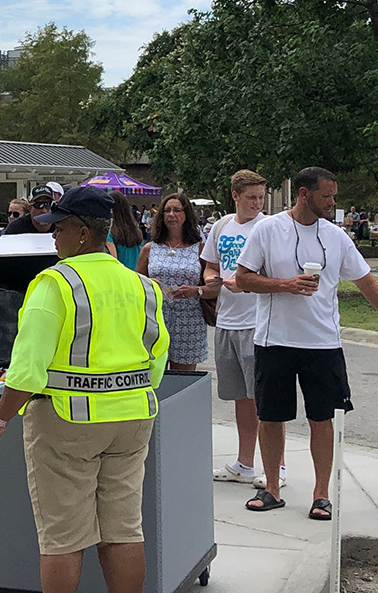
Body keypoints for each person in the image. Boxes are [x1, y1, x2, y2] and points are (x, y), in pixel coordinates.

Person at [0, 186, 170, 593]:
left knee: (62, 535)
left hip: (66, 422)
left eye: (59, 226)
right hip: (131, 421)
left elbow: (26, 368)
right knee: (124, 529)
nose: (52, 233)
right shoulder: (142, 285)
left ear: (84, 232)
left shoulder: (55, 285)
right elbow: (158, 357)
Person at [235, 167, 378, 518]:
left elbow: (366, 281)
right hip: (274, 339)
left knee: (322, 418)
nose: (333, 202)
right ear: (304, 194)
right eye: (327, 196)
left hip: (322, 343)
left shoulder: (336, 236)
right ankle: (271, 488)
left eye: (334, 196)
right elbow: (243, 278)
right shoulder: (269, 229)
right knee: (271, 416)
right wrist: (285, 285)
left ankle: (321, 494)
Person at [202, 170, 287, 489]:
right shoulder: (221, 226)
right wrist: (212, 280)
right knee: (241, 397)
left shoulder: (269, 227)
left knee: (266, 397)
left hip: (259, 322)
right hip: (227, 320)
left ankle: (276, 466)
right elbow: (211, 264)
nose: (257, 202)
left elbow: (278, 272)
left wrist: (247, 285)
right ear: (234, 196)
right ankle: (245, 463)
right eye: (251, 197)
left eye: (260, 197)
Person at [137, 193, 215, 371]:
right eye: (167, 211)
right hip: (155, 320)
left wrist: (196, 290)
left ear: (186, 214)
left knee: (183, 383)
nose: (171, 215)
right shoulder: (150, 249)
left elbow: (213, 287)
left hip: (189, 322)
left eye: (177, 210)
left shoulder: (200, 249)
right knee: (155, 379)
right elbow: (136, 283)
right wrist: (149, 284)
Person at [0, 185, 59, 291]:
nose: (44, 210)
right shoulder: (16, 227)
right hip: (21, 283)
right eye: (39, 205)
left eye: (48, 205)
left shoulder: (61, 225)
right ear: (30, 208)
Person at [109, 191, 144, 270]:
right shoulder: (137, 232)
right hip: (135, 276)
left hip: (119, 276)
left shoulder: (110, 234)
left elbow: (112, 260)